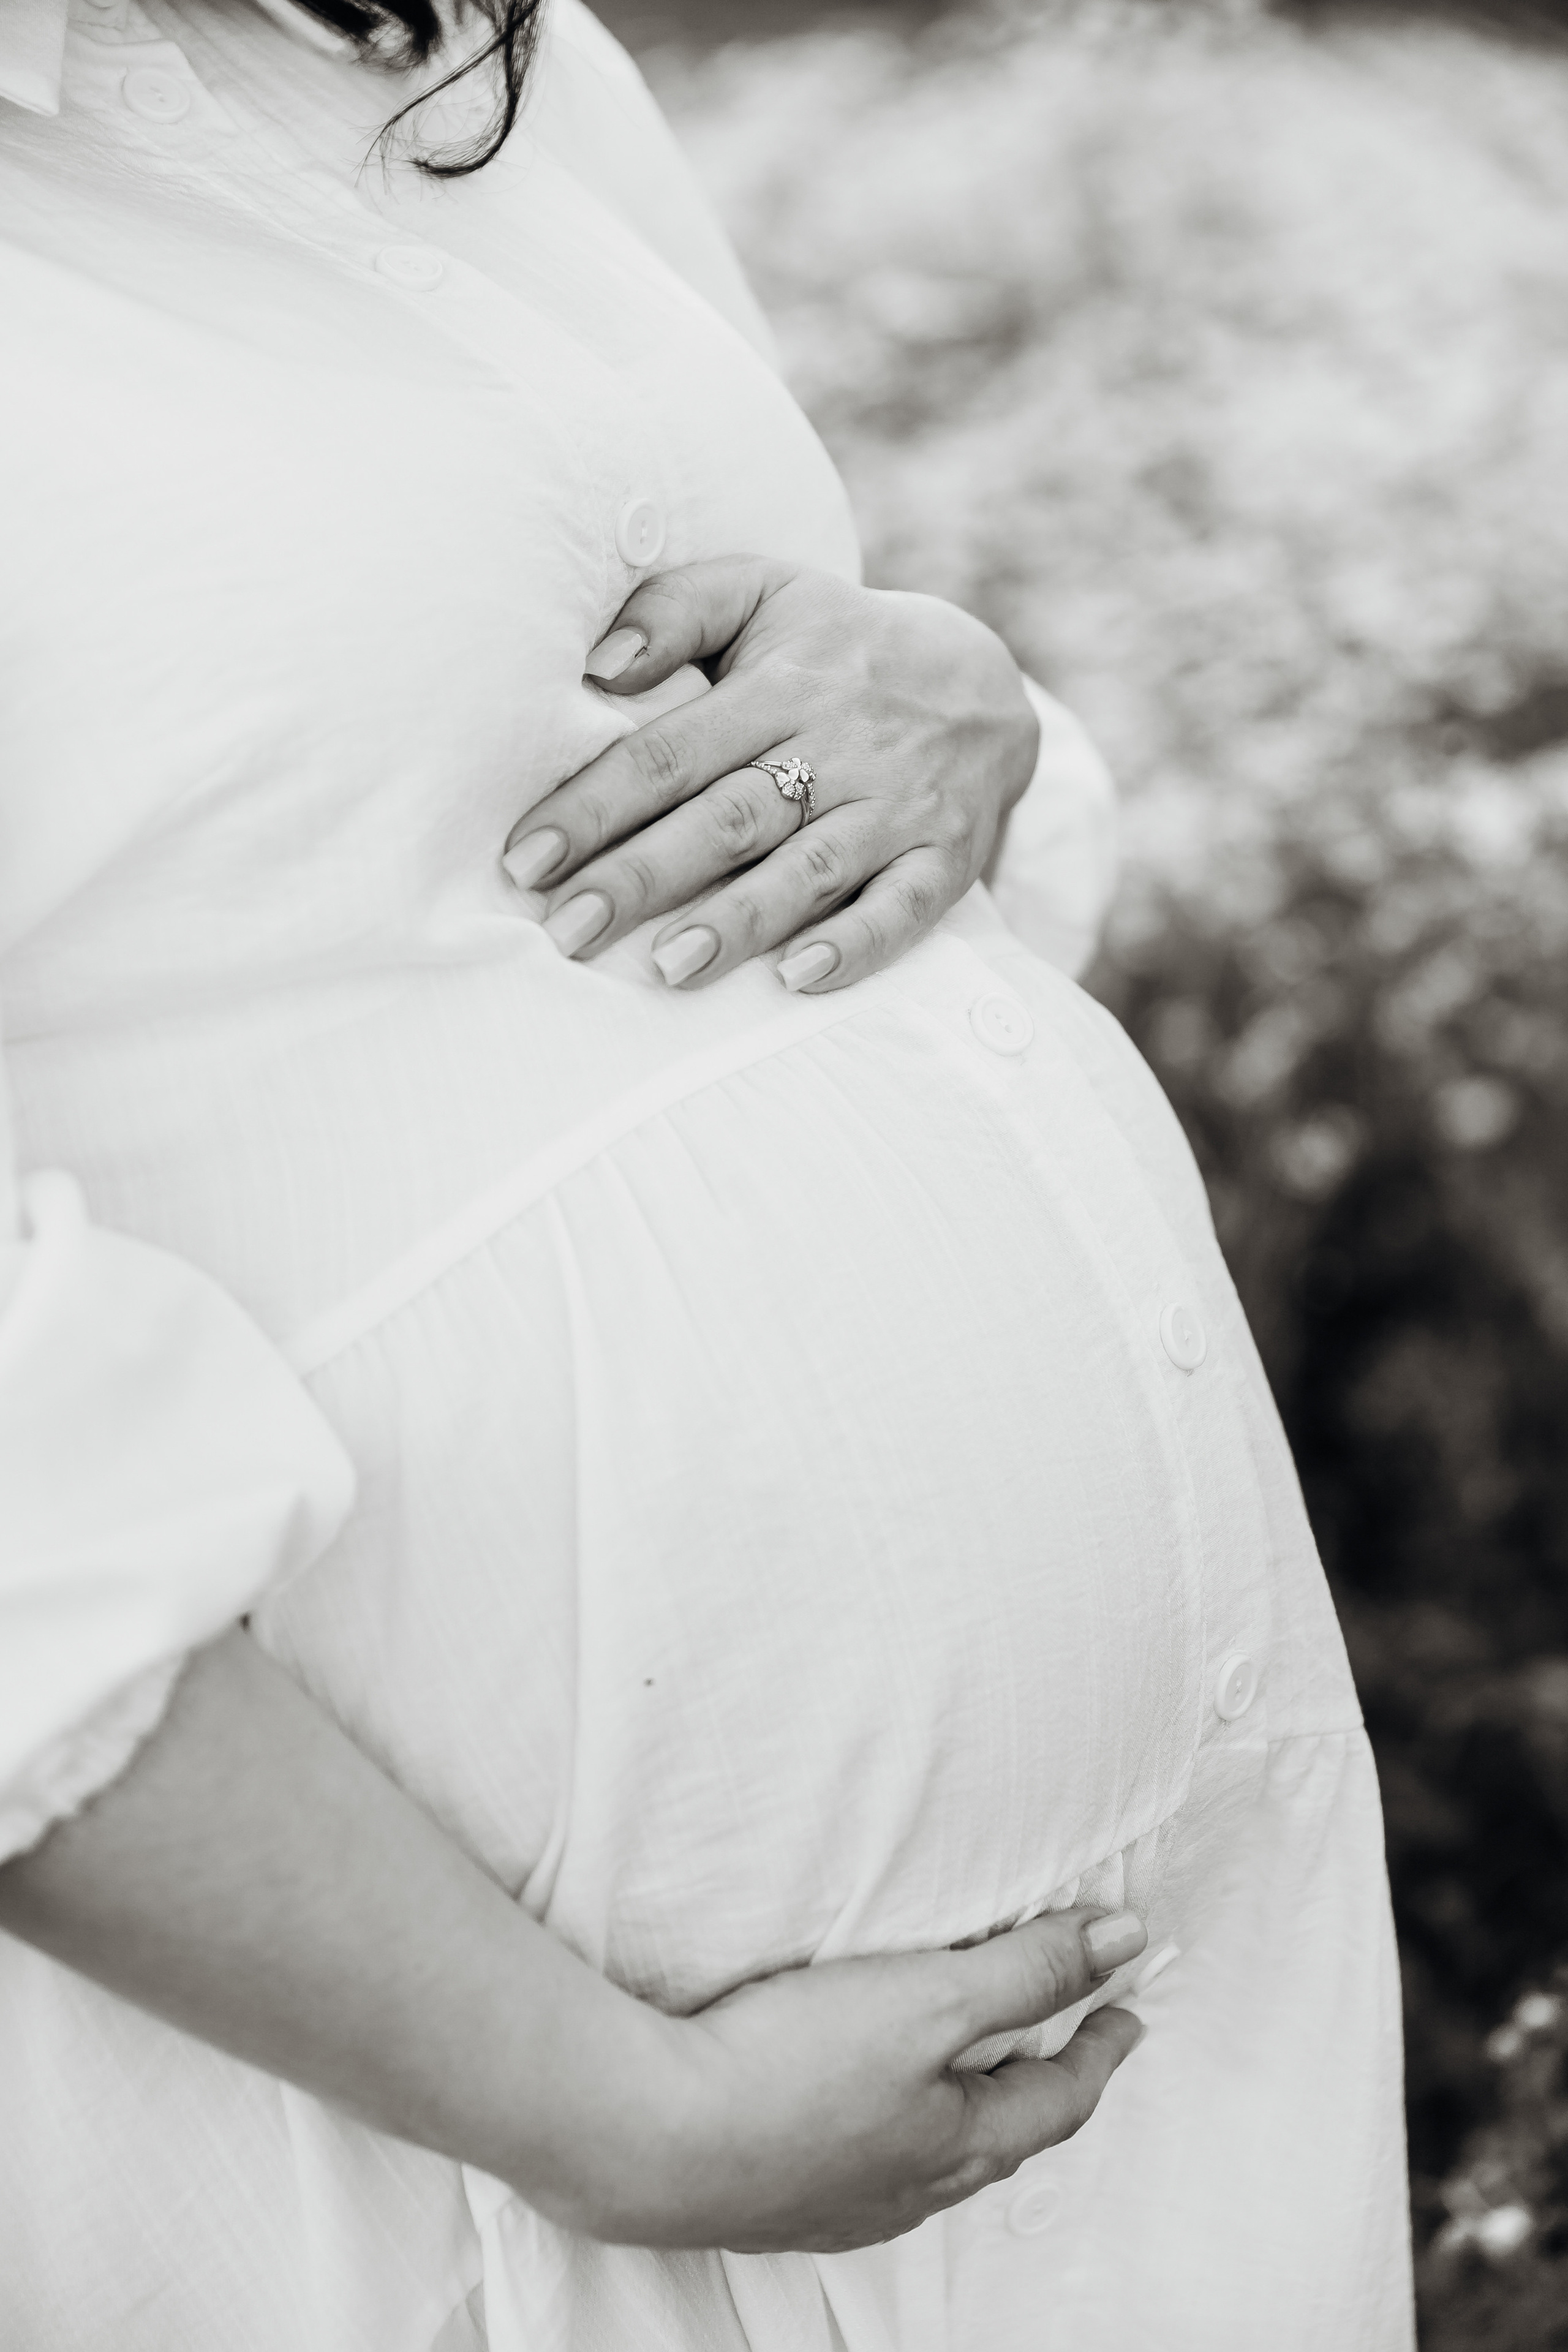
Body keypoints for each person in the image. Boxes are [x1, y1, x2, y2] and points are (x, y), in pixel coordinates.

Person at [0, 0, 1413, 2345]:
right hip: (481, 2142)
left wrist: (958, 700)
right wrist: (602, 2109)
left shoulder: (456, 70)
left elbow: (606, 808)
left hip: (1151, 2056)